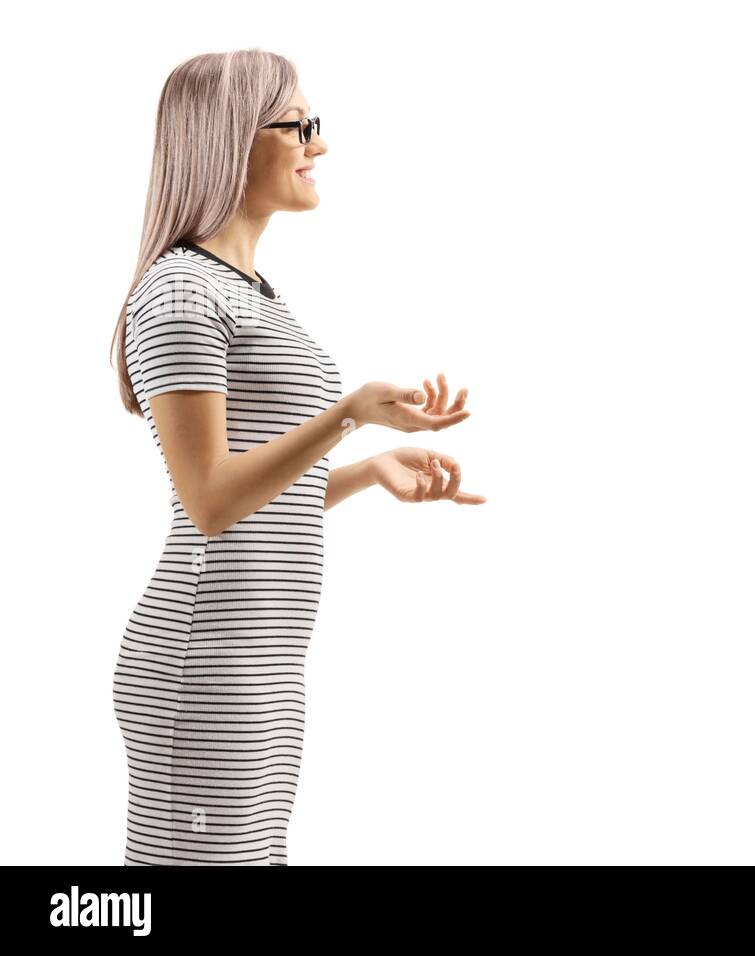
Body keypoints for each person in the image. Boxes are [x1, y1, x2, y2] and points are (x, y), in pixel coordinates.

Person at [109, 49, 485, 865]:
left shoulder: (249, 290)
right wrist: (347, 419)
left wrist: (363, 472)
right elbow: (209, 503)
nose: (320, 144)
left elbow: (251, 496)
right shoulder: (181, 291)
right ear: (229, 140)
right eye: (300, 126)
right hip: (206, 666)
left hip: (263, 668)